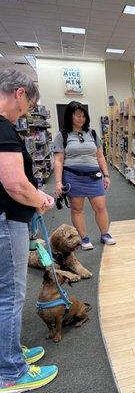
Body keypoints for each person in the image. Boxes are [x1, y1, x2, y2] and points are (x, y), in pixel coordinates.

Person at [0, 69, 58, 391]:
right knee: (11, 295)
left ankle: (7, 352)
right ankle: (11, 371)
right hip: (8, 222)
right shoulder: (3, 129)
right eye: (26, 109)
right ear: (20, 93)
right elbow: (15, 184)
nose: (24, 116)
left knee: (3, 293)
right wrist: (41, 199)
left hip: (5, 220)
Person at [53, 101, 115, 250]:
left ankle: (105, 234)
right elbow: (59, 161)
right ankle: (84, 238)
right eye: (77, 116)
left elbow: (100, 157)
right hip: (73, 177)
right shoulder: (63, 135)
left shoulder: (92, 133)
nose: (81, 119)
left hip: (94, 176)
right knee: (77, 209)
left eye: (83, 116)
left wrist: (106, 175)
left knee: (100, 206)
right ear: (70, 116)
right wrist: (57, 182)